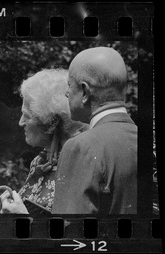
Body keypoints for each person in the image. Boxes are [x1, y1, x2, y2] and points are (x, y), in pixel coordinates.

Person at [51, 46, 137, 214]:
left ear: (84, 91)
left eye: (69, 85)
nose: (67, 93)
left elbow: (69, 234)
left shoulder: (81, 147)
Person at [0, 69, 88, 214]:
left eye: (27, 116)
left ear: (51, 122)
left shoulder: (79, 165)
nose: (20, 122)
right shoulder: (40, 162)